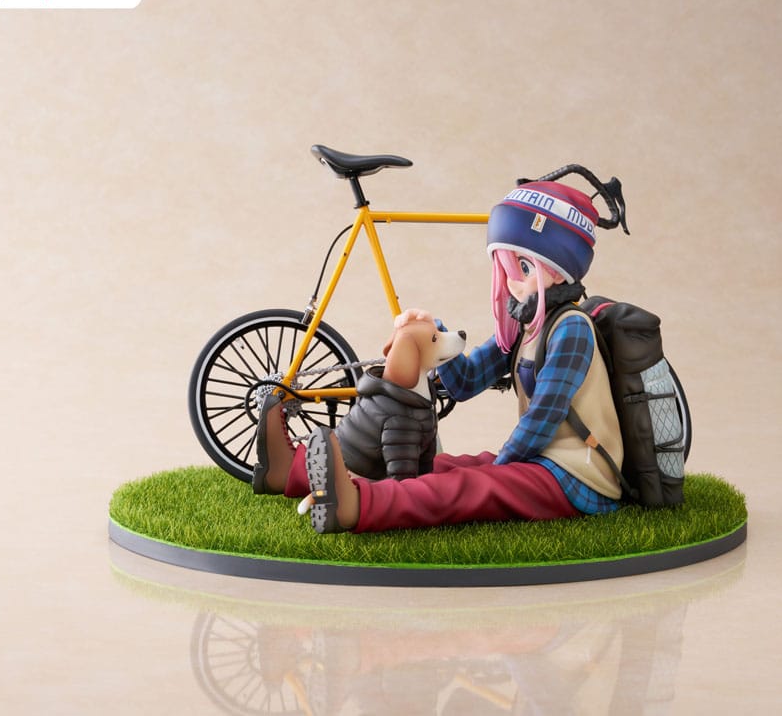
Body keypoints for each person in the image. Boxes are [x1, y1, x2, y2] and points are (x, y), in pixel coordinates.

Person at [253, 180, 624, 533]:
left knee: (467, 484)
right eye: (507, 266)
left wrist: (494, 469)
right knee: (440, 466)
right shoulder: (526, 323)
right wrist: (433, 331)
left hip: (579, 476)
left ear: (557, 272)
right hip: (543, 461)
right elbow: (465, 382)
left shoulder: (571, 329)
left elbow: (543, 418)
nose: (512, 281)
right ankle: (291, 471)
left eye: (523, 268)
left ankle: (356, 505)